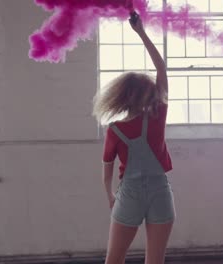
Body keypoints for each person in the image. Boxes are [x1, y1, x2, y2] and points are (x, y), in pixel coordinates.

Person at [92, 13, 175, 264]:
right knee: (155, 261)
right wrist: (141, 32)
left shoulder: (114, 129)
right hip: (160, 192)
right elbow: (161, 68)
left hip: (130, 195)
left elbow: (107, 170)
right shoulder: (158, 115)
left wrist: (109, 196)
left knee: (114, 260)